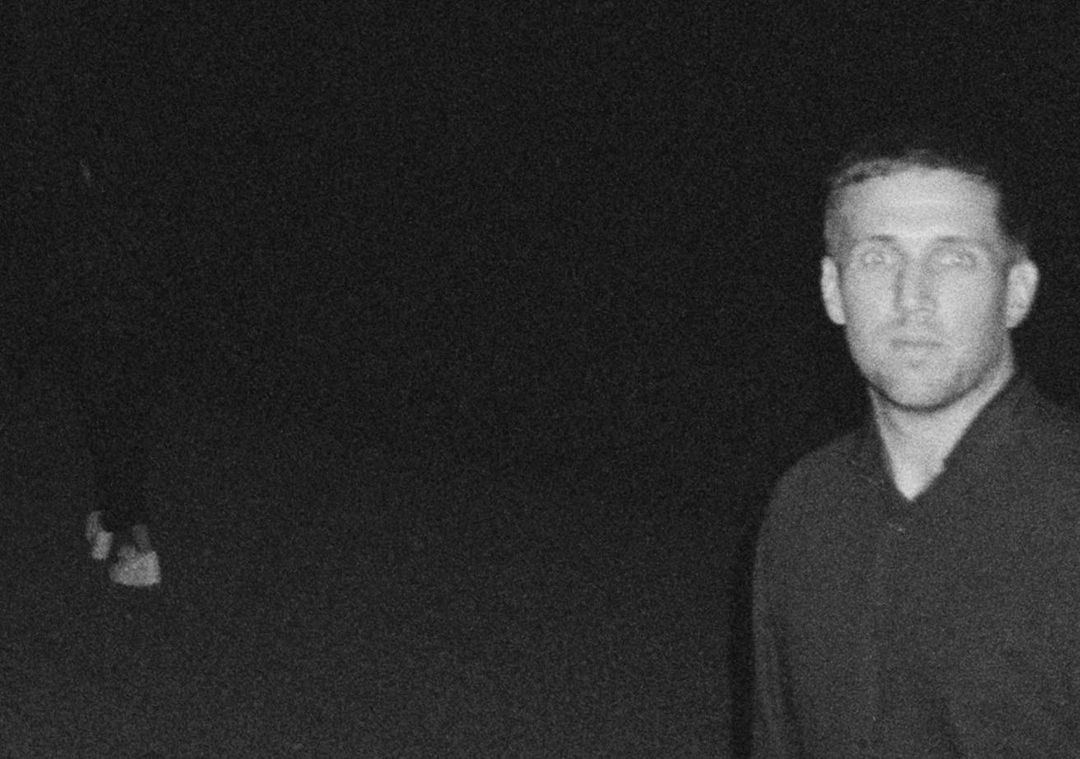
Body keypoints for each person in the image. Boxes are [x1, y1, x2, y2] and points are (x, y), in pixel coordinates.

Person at [752, 124, 1080, 757]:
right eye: (878, 258)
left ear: (1017, 293)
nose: (912, 298)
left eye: (953, 259)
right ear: (832, 290)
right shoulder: (805, 506)